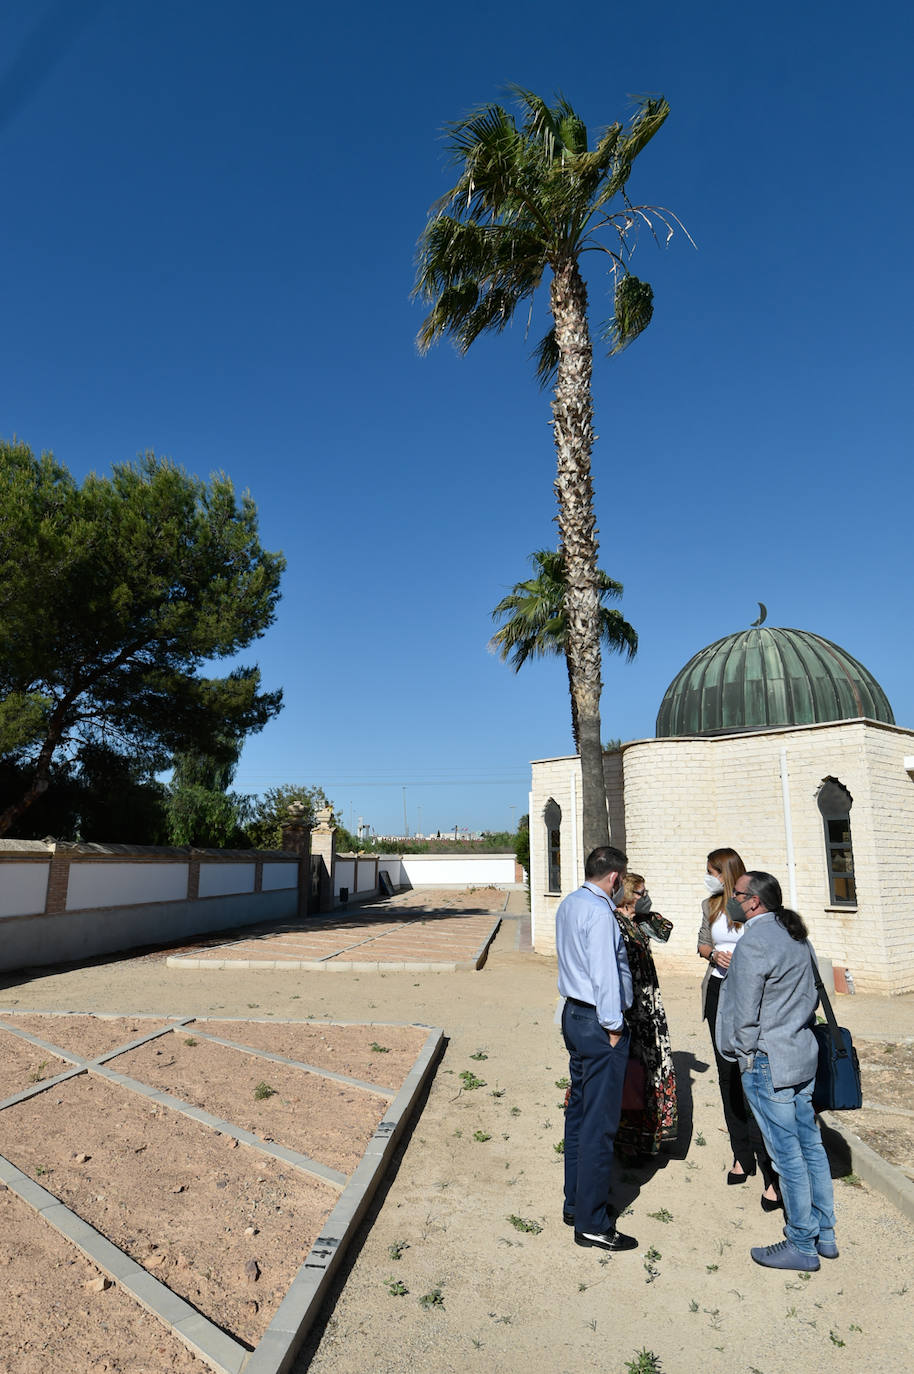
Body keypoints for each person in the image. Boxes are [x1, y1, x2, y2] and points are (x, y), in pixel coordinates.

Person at [716, 871, 838, 1272]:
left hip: (769, 1060)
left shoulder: (755, 941)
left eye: (736, 894)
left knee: (787, 1154)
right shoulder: (795, 934)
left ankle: (802, 1243)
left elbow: (745, 1011)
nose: (730, 898)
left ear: (753, 902)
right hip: (801, 1054)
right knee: (811, 1146)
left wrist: (745, 1054)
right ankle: (825, 1234)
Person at [556, 845, 638, 1252]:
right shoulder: (601, 912)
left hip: (574, 1016)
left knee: (579, 1113)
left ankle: (576, 1202)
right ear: (616, 878)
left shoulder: (570, 903)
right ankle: (592, 1222)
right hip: (597, 1022)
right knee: (599, 1124)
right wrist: (615, 1026)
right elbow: (605, 973)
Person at [698, 847, 779, 1208]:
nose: (708, 876)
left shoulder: (753, 905)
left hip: (750, 995)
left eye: (712, 871)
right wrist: (712, 954)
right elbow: (702, 943)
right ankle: (741, 1154)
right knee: (727, 1075)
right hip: (719, 990)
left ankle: (772, 1173)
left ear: (726, 872)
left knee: (755, 1078)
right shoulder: (711, 905)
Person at [613, 872, 678, 1158]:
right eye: (640, 892)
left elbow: (664, 930)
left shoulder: (640, 921)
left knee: (649, 1068)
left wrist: (643, 909)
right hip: (628, 1005)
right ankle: (624, 1142)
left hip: (648, 1006)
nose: (645, 896)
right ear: (626, 894)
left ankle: (646, 1139)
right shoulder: (613, 921)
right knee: (630, 1071)